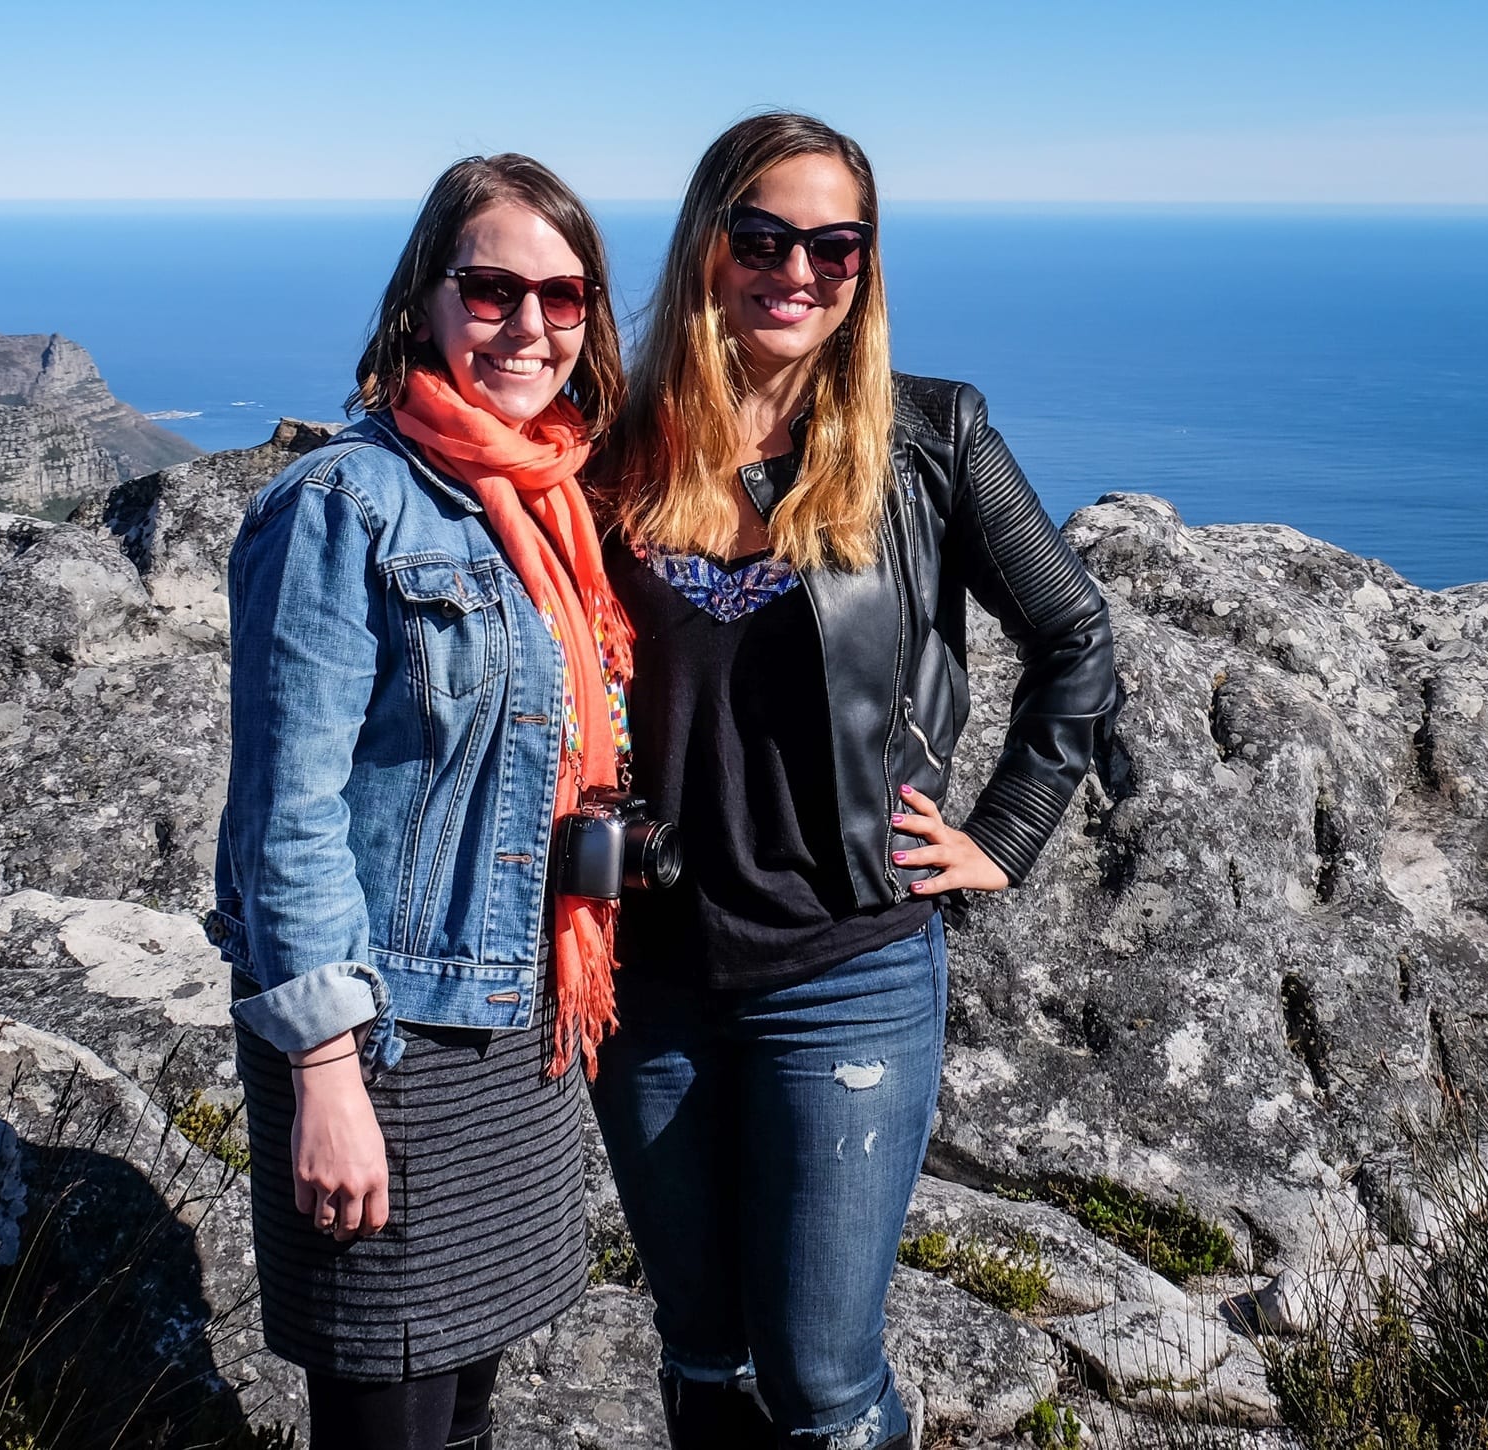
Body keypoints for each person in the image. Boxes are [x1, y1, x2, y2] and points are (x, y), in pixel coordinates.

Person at [591, 112, 1119, 1449]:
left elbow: (1075, 635)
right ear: (710, 248)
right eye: (765, 237)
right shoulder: (614, 451)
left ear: (866, 264)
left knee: (823, 1386)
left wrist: (1007, 828)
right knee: (702, 1353)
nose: (799, 270)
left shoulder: (928, 440)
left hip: (848, 971)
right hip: (647, 977)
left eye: (837, 244)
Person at [207, 153, 630, 1450]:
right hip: (385, 1040)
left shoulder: (553, 499)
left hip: (514, 1026)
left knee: (467, 1405)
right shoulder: (343, 504)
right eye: (492, 288)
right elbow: (287, 816)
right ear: (425, 300)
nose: (530, 326)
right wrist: (325, 1073)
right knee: (388, 1403)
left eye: (563, 297)